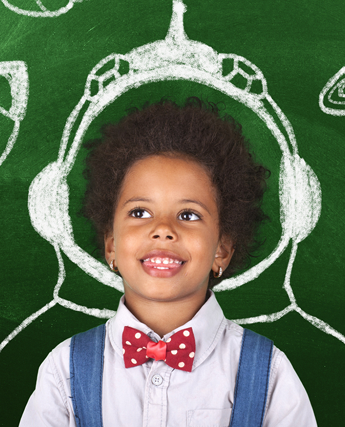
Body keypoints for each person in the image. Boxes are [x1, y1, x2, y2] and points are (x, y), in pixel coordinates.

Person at [20, 98, 317, 426]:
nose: (162, 229)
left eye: (188, 215)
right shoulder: (65, 371)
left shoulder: (269, 373)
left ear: (223, 248)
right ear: (111, 246)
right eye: (139, 212)